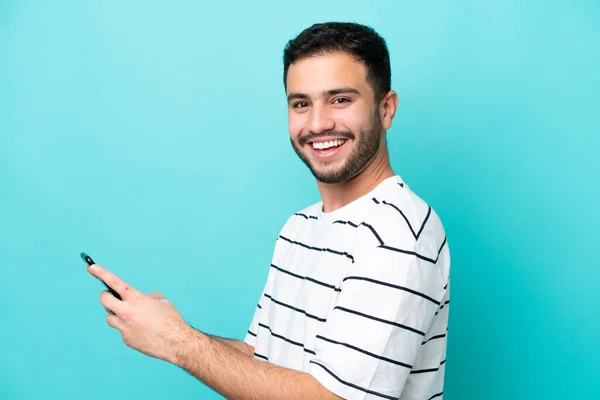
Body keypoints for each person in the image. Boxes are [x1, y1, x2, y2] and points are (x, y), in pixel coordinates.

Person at [87, 21, 451, 400]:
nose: (318, 123)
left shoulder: (397, 235)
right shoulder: (300, 227)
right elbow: (262, 359)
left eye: (340, 99)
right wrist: (171, 330)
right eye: (301, 104)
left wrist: (179, 342)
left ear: (386, 108)